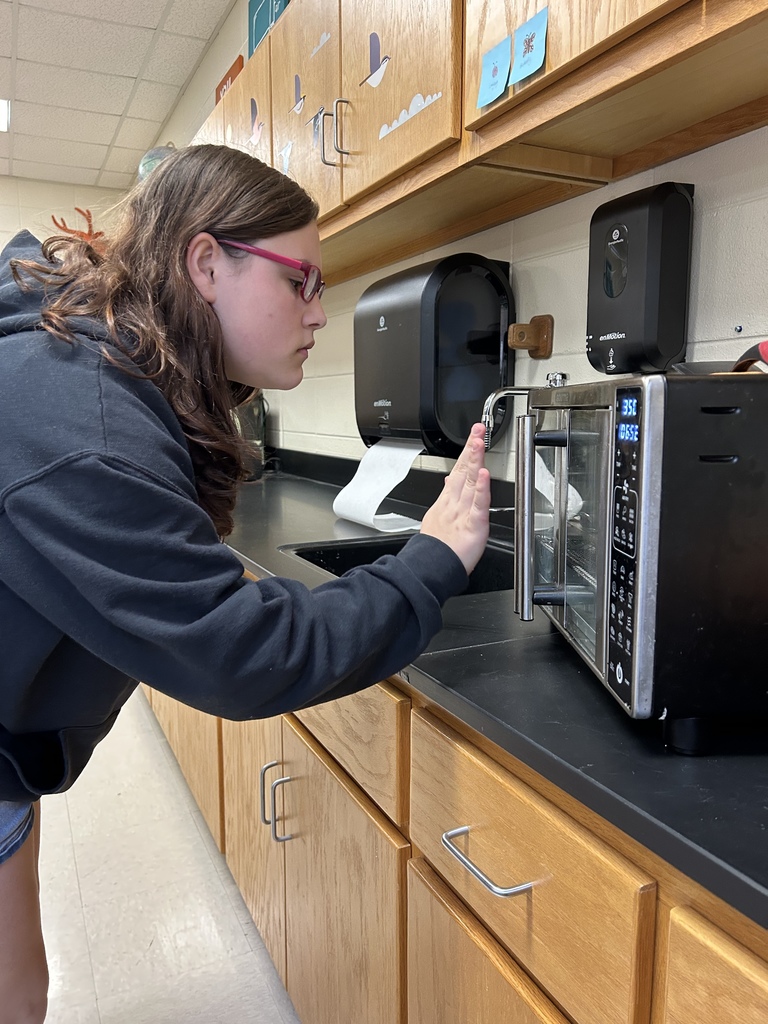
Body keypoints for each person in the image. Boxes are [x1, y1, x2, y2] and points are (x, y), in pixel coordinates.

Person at [0, 143, 491, 1022]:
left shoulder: (95, 369)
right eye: (301, 280)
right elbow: (249, 652)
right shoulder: (88, 422)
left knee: (19, 988)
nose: (319, 312)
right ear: (206, 262)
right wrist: (433, 555)